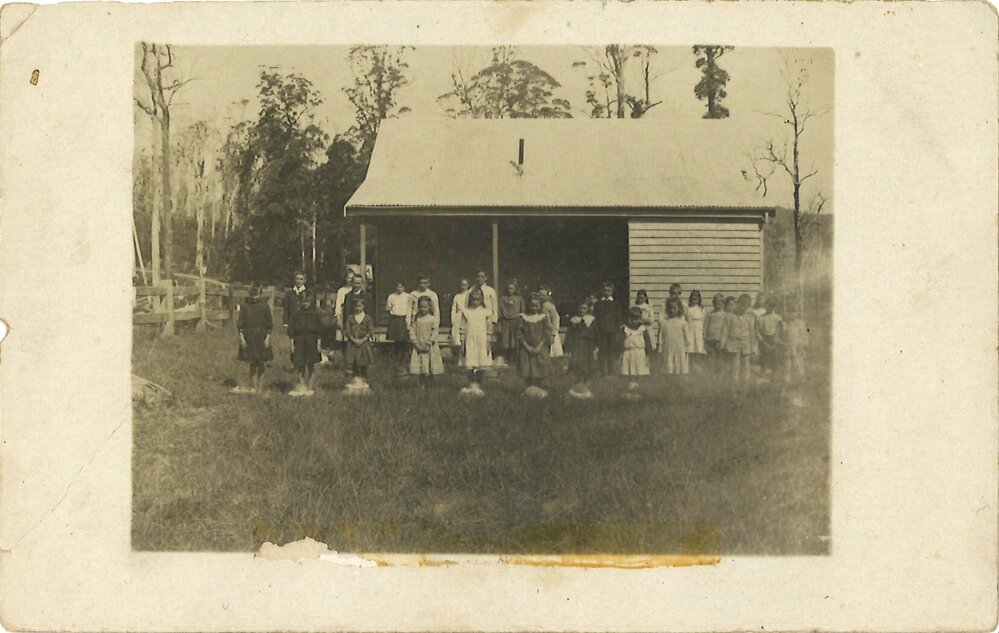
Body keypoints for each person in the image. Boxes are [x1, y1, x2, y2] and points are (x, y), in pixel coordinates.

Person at [234, 283, 273, 395]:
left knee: (261, 362)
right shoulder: (245, 306)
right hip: (249, 337)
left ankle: (260, 387)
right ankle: (254, 387)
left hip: (261, 337)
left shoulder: (264, 307)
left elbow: (270, 324)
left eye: (256, 295)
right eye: (252, 295)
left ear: (260, 295)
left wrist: (267, 338)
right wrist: (242, 338)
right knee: (252, 362)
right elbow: (240, 324)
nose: (254, 297)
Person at [458, 288, 493, 396]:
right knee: (471, 365)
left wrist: (488, 342)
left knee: (480, 364)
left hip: (481, 341)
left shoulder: (485, 312)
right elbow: (462, 328)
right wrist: (463, 342)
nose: (475, 302)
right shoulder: (466, 312)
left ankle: (479, 384)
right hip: (470, 341)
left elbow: (489, 329)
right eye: (473, 300)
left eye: (477, 300)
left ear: (481, 299)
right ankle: (471, 383)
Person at [517, 296, 554, 396]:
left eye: (536, 306)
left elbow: (547, 333)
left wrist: (540, 346)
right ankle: (528, 388)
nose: (533, 308)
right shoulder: (523, 317)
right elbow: (519, 334)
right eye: (531, 306)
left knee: (540, 366)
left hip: (540, 347)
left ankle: (539, 387)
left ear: (540, 306)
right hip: (526, 347)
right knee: (527, 368)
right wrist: (527, 346)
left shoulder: (543, 317)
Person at [288, 286, 321, 396]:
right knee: (300, 365)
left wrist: (319, 345)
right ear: (300, 302)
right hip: (300, 340)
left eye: (307, 302)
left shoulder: (315, 314)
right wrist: (292, 344)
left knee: (311, 365)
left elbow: (319, 331)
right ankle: (302, 386)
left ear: (311, 302)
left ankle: (310, 388)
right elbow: (291, 331)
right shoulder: (296, 314)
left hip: (312, 341)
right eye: (303, 302)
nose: (305, 304)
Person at [720, 294, 755, 394]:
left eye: (746, 306)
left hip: (746, 346)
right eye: (742, 305)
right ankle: (733, 393)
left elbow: (752, 333)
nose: (744, 308)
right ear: (738, 303)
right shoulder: (730, 316)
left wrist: (753, 348)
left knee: (746, 371)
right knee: (734, 370)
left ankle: (744, 392)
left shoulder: (749, 317)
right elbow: (725, 331)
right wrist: (722, 345)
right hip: (733, 345)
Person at [565, 299, 599, 398]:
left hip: (588, 344)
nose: (582, 310)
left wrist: (596, 346)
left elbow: (596, 333)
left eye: (584, 308)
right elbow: (569, 335)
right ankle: (578, 381)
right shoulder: (573, 320)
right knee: (577, 362)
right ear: (577, 308)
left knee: (588, 363)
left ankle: (586, 381)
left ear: (588, 309)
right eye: (580, 308)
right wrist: (568, 348)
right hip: (577, 344)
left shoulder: (591, 319)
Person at [409, 295, 444, 387]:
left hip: (430, 347)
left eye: (425, 307)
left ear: (429, 307)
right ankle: (421, 385)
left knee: (429, 365)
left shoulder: (432, 319)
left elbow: (435, 332)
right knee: (420, 367)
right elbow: (412, 331)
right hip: (418, 345)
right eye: (421, 307)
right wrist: (416, 343)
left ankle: (430, 385)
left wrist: (428, 343)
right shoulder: (416, 319)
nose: (423, 309)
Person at [780, 303, 809, 406]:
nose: (793, 314)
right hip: (787, 352)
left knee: (799, 373)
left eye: (795, 312)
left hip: (798, 352)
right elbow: (779, 338)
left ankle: (798, 396)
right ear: (787, 313)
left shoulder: (801, 324)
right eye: (790, 312)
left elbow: (805, 337)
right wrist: (785, 346)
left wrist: (801, 345)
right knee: (786, 374)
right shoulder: (783, 323)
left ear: (797, 313)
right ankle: (785, 397)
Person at [592, 281, 623, 377]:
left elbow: (618, 318)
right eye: (605, 290)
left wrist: (618, 330)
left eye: (608, 291)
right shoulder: (598, 304)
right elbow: (595, 317)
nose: (606, 292)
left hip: (612, 331)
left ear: (612, 292)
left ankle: (611, 371)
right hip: (601, 331)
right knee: (602, 351)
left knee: (611, 351)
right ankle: (602, 372)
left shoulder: (616, 304)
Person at [620, 306, 654, 393]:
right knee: (629, 369)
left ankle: (638, 386)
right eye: (631, 318)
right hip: (628, 352)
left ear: (639, 319)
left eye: (636, 319)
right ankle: (630, 385)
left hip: (640, 352)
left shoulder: (643, 329)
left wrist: (648, 355)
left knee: (639, 369)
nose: (633, 321)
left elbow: (648, 343)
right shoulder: (625, 329)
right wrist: (620, 352)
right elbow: (620, 342)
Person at [344, 298, 375, 389]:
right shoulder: (350, 318)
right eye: (356, 306)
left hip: (363, 343)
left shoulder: (367, 318)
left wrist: (363, 340)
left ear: (363, 306)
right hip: (353, 343)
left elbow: (370, 331)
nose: (358, 308)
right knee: (354, 364)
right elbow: (348, 331)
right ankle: (355, 382)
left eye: (360, 306)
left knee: (363, 363)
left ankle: (363, 383)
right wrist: (353, 339)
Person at [385, 281, 414, 374]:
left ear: (404, 287)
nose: (399, 288)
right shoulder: (391, 296)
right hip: (395, 318)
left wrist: (408, 320)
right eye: (397, 286)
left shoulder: (408, 296)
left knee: (403, 340)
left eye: (401, 286)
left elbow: (410, 308)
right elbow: (388, 309)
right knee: (396, 340)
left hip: (404, 318)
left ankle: (403, 359)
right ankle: (397, 359)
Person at [659, 298, 690, 376]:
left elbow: (687, 338)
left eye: (674, 308)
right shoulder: (664, 323)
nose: (672, 310)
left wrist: (687, 349)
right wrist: (660, 348)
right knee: (668, 367)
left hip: (680, 348)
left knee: (679, 367)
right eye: (670, 308)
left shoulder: (683, 323)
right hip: (667, 348)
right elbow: (660, 336)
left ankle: (679, 384)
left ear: (679, 309)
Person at [495, 281, 524, 367]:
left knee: (514, 340)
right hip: (505, 321)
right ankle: (506, 358)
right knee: (505, 340)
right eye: (508, 288)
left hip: (516, 321)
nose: (510, 290)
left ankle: (514, 358)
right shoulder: (502, 299)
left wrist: (521, 321)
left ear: (515, 289)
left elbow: (522, 311)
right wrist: (499, 322)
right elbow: (499, 311)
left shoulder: (519, 299)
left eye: (512, 288)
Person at [756, 296, 783, 384]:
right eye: (769, 305)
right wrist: (762, 342)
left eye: (773, 306)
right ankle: (764, 381)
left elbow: (779, 330)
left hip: (774, 340)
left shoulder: (777, 317)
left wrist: (775, 341)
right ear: (765, 306)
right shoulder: (760, 318)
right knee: (764, 362)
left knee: (775, 362)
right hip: (764, 341)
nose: (771, 308)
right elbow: (757, 331)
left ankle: (774, 381)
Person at [341, 273, 367, 360]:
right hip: (351, 325)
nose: (356, 285)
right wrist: (345, 326)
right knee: (351, 347)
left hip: (363, 325)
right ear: (352, 283)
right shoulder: (348, 296)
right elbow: (346, 311)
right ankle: (352, 368)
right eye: (355, 283)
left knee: (363, 349)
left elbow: (370, 313)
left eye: (359, 283)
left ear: (362, 284)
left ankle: (363, 369)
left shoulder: (367, 296)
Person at [703, 293, 727, 373]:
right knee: (710, 359)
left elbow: (725, 329)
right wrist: (704, 339)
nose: (717, 304)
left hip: (719, 340)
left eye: (719, 303)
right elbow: (705, 326)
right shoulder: (709, 314)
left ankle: (720, 376)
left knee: (720, 359)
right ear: (713, 303)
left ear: (723, 303)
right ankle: (711, 376)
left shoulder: (725, 315)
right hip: (710, 340)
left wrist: (722, 341)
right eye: (716, 303)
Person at [539, 286, 564, 359]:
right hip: (541, 330)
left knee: (553, 349)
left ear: (547, 296)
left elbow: (555, 318)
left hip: (550, 330)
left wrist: (554, 331)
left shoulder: (550, 306)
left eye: (543, 295)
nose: (541, 297)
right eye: (539, 295)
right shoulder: (538, 306)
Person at [686, 289, 707, 371]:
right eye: (693, 296)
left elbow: (704, 320)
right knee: (691, 346)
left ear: (699, 298)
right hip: (690, 327)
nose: (694, 298)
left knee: (698, 346)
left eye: (696, 297)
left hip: (699, 328)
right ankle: (690, 365)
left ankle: (698, 366)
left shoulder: (701, 309)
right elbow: (686, 319)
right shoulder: (688, 309)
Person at [449, 278, 470, 349]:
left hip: (467, 317)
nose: (463, 287)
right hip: (458, 317)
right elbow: (454, 309)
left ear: (468, 285)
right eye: (462, 285)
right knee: (457, 338)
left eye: (465, 285)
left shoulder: (469, 295)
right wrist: (453, 320)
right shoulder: (457, 296)